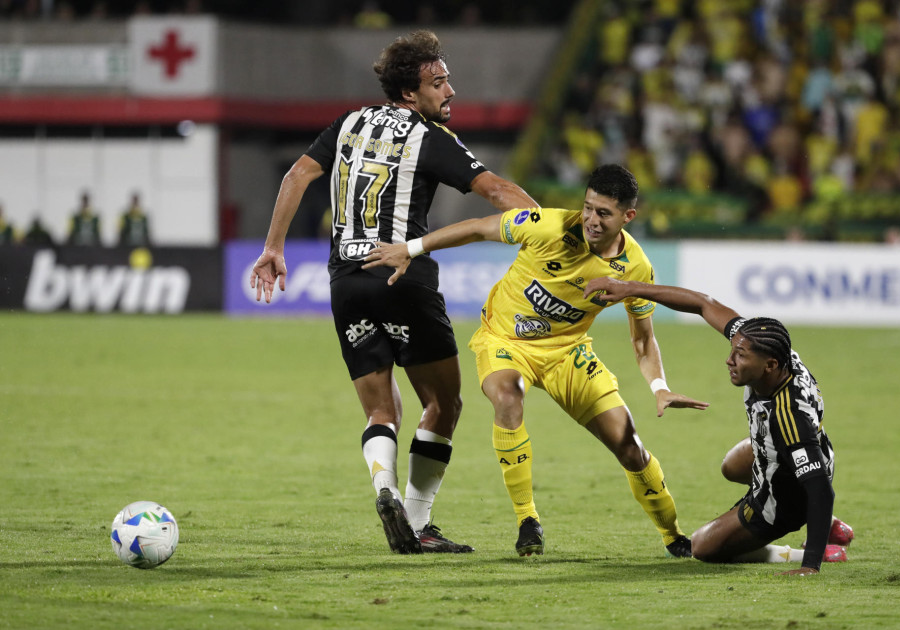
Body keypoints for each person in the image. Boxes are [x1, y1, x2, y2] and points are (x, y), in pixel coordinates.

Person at [250, 30, 538, 555]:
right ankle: (419, 520)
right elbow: (496, 191)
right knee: (443, 403)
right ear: (410, 94)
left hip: (346, 280)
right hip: (403, 278)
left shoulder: (348, 123)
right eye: (438, 82)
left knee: (381, 412)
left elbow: (297, 175)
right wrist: (546, 227)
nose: (450, 91)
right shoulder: (431, 138)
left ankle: (383, 488)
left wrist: (274, 247)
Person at [365, 164, 708, 557]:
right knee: (507, 396)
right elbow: (478, 227)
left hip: (567, 352)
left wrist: (659, 388)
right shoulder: (547, 227)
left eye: (604, 213)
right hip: (505, 340)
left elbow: (644, 341)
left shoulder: (635, 267)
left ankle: (674, 536)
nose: (591, 220)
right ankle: (528, 520)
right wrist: (410, 249)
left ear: (628, 216)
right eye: (588, 208)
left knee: (629, 444)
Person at [580, 278, 854, 575]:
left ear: (770, 366)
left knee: (703, 547)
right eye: (734, 349)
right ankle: (826, 523)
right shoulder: (770, 349)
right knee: (731, 465)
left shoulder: (787, 417)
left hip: (789, 492)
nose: (729, 359)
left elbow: (820, 489)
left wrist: (810, 566)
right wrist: (631, 288)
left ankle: (804, 551)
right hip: (807, 454)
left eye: (740, 355)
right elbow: (703, 304)